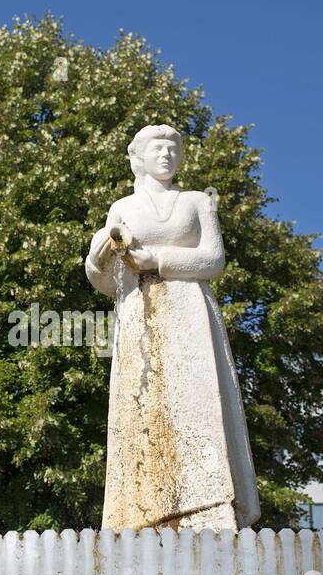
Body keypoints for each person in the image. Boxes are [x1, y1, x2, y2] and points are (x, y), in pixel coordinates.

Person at [85, 124, 260, 532]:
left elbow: (213, 261)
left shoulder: (197, 202)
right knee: (142, 404)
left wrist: (156, 261)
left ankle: (208, 503)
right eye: (157, 148)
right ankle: (139, 507)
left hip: (190, 312)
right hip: (138, 313)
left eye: (173, 148)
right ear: (138, 157)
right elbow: (105, 279)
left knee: (198, 400)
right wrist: (103, 251)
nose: (166, 155)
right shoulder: (122, 207)